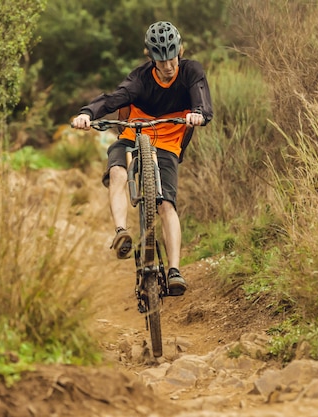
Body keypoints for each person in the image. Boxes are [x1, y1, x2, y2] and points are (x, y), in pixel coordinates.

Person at [71, 21, 213, 296]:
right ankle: (121, 232)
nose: (168, 66)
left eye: (172, 58)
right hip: (133, 134)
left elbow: (202, 101)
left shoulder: (191, 72)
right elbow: (113, 99)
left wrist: (199, 114)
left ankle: (174, 270)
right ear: (151, 58)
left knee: (166, 205)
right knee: (117, 173)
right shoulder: (140, 78)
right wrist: (88, 113)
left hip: (169, 141)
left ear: (180, 51)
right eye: (161, 61)